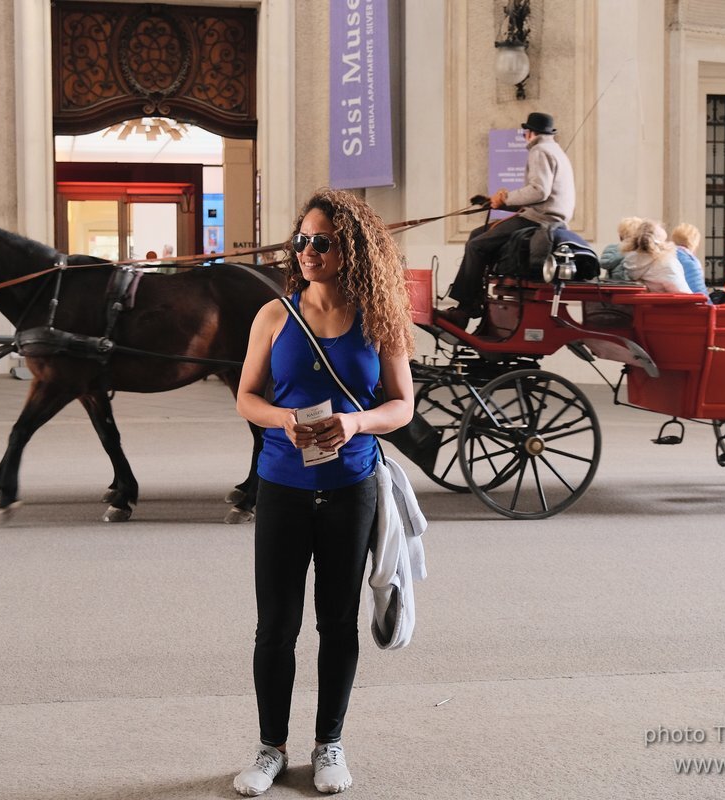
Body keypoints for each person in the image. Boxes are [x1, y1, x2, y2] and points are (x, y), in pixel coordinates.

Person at [233, 188, 415, 797]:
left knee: (337, 623)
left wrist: (357, 422)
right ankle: (270, 749)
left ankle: (328, 744)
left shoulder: (380, 318)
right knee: (275, 626)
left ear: (351, 249)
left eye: (322, 242)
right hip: (283, 485)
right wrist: (283, 421)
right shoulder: (274, 317)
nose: (308, 251)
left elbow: (402, 405)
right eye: (302, 240)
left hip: (351, 487)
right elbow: (246, 398)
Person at [440, 111, 576, 326]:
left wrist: (505, 199)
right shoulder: (554, 150)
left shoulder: (540, 151)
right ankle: (474, 301)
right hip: (545, 217)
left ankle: (465, 310)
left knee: (477, 245)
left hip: (540, 220)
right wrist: (495, 201)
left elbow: (539, 191)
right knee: (478, 234)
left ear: (529, 133)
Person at [621, 220, 692, 293]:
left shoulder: (629, 262)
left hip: (645, 303)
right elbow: (683, 293)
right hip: (668, 303)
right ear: (662, 244)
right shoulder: (667, 263)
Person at [669, 223, 708, 296]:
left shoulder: (668, 255)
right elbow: (698, 289)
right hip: (693, 303)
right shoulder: (690, 261)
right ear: (694, 241)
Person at [600, 216, 643, 281]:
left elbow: (604, 263)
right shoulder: (643, 252)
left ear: (620, 235)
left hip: (614, 287)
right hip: (637, 288)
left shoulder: (611, 249)